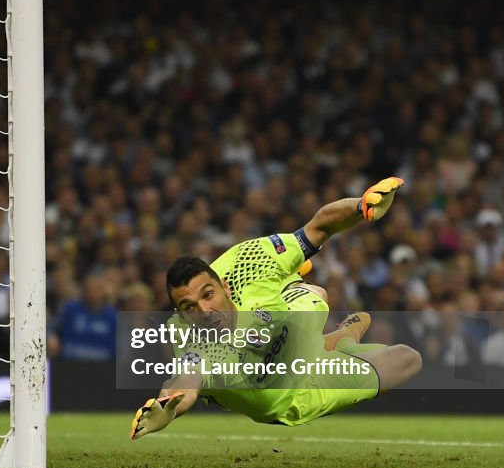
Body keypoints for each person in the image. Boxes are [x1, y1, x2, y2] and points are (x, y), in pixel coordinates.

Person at [131, 177, 422, 438]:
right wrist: (167, 407)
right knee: (401, 355)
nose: (204, 311)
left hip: (294, 328)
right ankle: (340, 341)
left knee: (321, 298)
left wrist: (361, 206)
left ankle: (329, 333)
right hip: (296, 394)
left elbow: (320, 226)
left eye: (208, 295)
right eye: (189, 307)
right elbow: (185, 380)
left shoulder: (248, 261)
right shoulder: (192, 340)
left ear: (225, 286)